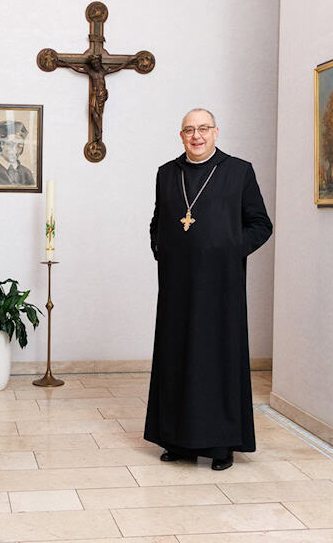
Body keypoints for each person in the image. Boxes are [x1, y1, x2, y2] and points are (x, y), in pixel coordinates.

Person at [144, 108, 272, 471]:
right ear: (181, 135)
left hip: (221, 287)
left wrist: (229, 250)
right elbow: (158, 220)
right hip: (177, 286)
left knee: (216, 360)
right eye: (189, 130)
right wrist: (160, 249)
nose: (196, 136)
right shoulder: (167, 174)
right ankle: (176, 440)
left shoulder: (238, 171)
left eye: (203, 129)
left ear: (216, 132)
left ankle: (221, 445)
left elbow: (261, 224)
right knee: (177, 357)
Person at [0, 120, 35, 186]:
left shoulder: (27, 173)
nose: (15, 150)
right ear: (2, 144)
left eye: (19, 146)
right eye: (11, 144)